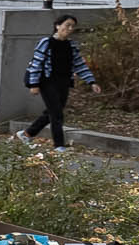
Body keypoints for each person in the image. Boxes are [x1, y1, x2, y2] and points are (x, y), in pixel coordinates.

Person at [25, 14, 98, 148]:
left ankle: (27, 134)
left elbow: (79, 65)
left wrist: (91, 82)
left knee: (51, 112)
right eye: (67, 25)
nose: (69, 29)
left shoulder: (71, 45)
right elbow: (36, 63)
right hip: (46, 82)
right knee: (57, 114)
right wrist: (34, 84)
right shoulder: (46, 43)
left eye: (72, 26)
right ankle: (59, 145)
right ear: (57, 26)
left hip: (63, 82)